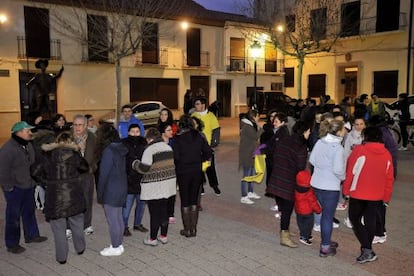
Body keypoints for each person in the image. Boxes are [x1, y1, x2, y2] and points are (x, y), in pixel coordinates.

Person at [31, 132, 89, 264]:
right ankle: (80, 248)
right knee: (77, 223)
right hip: (73, 194)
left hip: (54, 196)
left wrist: (46, 181)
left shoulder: (47, 155)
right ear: (70, 141)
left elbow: (34, 172)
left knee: (58, 229)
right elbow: (85, 168)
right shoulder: (74, 154)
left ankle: (62, 258)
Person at [343, 126, 394, 264]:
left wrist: (346, 191)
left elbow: (350, 172)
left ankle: (367, 249)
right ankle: (367, 249)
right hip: (377, 195)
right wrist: (386, 197)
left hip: (358, 192)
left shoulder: (359, 150)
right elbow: (389, 178)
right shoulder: (386, 154)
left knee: (355, 219)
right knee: (370, 220)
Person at [0, 121, 47, 254]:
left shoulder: (28, 145)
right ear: (19, 133)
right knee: (13, 216)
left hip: (28, 185)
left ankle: (32, 235)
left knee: (29, 211)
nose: (31, 133)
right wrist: (8, 187)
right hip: (14, 188)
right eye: (28, 131)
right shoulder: (7, 149)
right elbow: (2, 171)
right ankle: (12, 243)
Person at [266, 121, 311, 248]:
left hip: (277, 179)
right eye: (308, 131)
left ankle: (285, 230)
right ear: (303, 132)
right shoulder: (301, 147)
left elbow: (274, 154)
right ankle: (284, 236)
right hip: (288, 183)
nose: (309, 133)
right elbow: (300, 168)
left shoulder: (285, 140)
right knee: (287, 210)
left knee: (283, 208)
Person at [132, 128, 176, 246]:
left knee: (155, 213)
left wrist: (135, 164)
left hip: (155, 187)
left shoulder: (149, 150)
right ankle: (164, 236)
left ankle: (152, 239)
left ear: (150, 138)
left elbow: (144, 168)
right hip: (168, 185)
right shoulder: (168, 147)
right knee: (164, 212)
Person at [309, 119, 346, 257]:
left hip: (316, 184)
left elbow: (312, 160)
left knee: (322, 215)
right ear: (338, 132)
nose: (345, 131)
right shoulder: (338, 148)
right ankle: (325, 247)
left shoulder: (320, 141)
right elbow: (338, 170)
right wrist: (343, 177)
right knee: (327, 217)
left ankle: (326, 240)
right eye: (343, 129)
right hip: (330, 187)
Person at [173, 115, 212, 237]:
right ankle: (194, 229)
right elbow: (208, 152)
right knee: (194, 200)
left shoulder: (178, 139)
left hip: (183, 172)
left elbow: (175, 157)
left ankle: (187, 229)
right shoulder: (198, 136)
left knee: (185, 200)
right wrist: (199, 159)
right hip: (196, 171)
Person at [96, 124, 128, 256]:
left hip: (111, 189)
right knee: (118, 217)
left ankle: (115, 247)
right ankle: (119, 244)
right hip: (121, 186)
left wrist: (100, 192)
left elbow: (103, 174)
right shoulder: (121, 148)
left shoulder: (109, 150)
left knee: (112, 220)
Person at [71, 114, 97, 236]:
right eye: (75, 125)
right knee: (70, 201)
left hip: (87, 175)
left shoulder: (93, 138)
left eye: (80, 125)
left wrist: (92, 168)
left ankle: (87, 224)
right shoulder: (67, 138)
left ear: (86, 125)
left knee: (87, 200)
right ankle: (68, 227)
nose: (77, 127)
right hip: (71, 176)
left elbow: (97, 156)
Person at [121, 124, 148, 236]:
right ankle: (124, 226)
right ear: (128, 132)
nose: (135, 134)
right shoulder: (124, 144)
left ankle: (137, 224)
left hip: (142, 179)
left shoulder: (144, 143)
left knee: (141, 205)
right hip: (129, 179)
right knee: (127, 206)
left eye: (137, 131)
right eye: (133, 131)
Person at [191, 97, 221, 196]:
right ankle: (201, 186)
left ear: (203, 105)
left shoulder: (211, 116)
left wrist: (213, 143)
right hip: (196, 147)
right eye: (195, 104)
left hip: (207, 147)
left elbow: (216, 130)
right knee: (198, 168)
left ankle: (214, 185)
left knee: (210, 167)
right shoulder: (193, 115)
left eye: (198, 104)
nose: (196, 106)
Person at [263, 112, 290, 213]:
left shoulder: (282, 133)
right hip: (276, 161)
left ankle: (280, 206)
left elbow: (274, 147)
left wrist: (263, 150)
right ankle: (279, 204)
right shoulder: (279, 131)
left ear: (283, 122)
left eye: (276, 121)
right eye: (273, 121)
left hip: (278, 162)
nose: (274, 123)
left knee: (279, 184)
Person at [239, 109, 263, 204]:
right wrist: (261, 128)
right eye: (258, 116)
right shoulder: (247, 126)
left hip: (252, 153)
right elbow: (255, 136)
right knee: (246, 175)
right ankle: (244, 196)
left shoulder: (250, 125)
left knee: (252, 174)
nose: (259, 118)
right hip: (247, 154)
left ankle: (250, 192)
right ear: (253, 117)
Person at [295, 170, 322, 245]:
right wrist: (318, 210)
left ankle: (303, 234)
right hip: (308, 212)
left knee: (301, 223)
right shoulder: (309, 192)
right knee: (308, 225)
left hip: (298, 210)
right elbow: (313, 202)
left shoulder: (295, 189)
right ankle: (305, 237)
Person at [158, 122, 177, 224]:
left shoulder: (174, 142)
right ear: (162, 133)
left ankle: (170, 214)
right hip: (161, 172)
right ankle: (162, 213)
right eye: (168, 130)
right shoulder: (158, 144)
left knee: (171, 194)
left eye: (171, 130)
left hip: (172, 171)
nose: (171, 132)